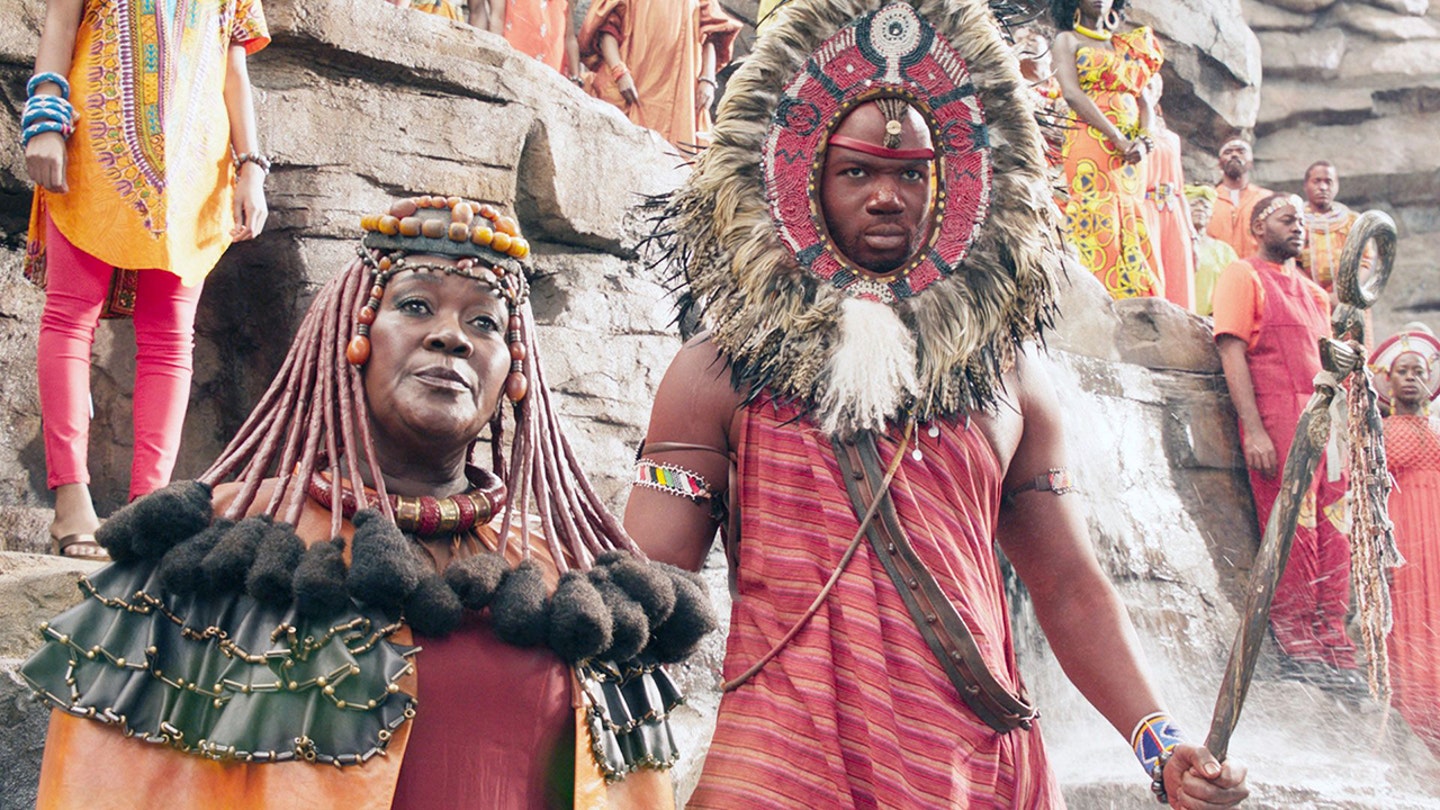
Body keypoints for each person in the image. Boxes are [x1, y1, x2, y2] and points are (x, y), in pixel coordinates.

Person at [631, 2, 1248, 807]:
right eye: (858, 172)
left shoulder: (1011, 376)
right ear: (804, 178)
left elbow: (1066, 585)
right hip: (784, 762)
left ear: (951, 183)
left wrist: (1161, 742)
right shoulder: (717, 371)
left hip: (978, 768)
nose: (888, 196)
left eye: (911, 174)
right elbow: (644, 582)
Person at [20, 197, 714, 808]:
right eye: (415, 306)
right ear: (348, 338)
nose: (451, 337)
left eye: (486, 323)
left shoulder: (566, 580)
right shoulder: (212, 557)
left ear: (514, 375)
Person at [23, 0, 270, 560]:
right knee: (69, 315)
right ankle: (71, 503)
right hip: (92, 146)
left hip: (195, 164)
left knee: (169, 339)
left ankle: (148, 509)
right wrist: (44, 122)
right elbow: (60, 24)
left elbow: (234, 66)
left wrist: (251, 166)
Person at [1211, 193, 1361, 687]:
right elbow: (1233, 352)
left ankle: (1334, 642)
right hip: (1278, 416)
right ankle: (1298, 640)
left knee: (1334, 529)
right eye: (1286, 218)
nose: (1299, 226)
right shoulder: (1242, 274)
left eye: (1302, 220)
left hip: (1325, 419)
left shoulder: (1316, 294)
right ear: (1257, 227)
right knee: (1292, 528)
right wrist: (1252, 427)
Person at [1052, 0, 1164, 299]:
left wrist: (1145, 138)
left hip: (1132, 153)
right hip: (1090, 140)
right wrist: (1116, 137)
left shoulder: (1126, 45)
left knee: (1129, 208)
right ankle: (1095, 292)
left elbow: (1144, 101)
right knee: (1096, 208)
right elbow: (1073, 94)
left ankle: (1136, 295)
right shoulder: (1067, 40)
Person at [1371, 327, 1440, 755]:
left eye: (1419, 371)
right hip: (1404, 531)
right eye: (1402, 371)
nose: (1412, 377)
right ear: (1389, 381)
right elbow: (1367, 491)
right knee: (1414, 611)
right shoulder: (1376, 431)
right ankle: (1424, 712)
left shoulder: (1439, 429)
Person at [577, 0, 740, 150]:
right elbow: (607, 30)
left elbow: (710, 34)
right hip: (634, 89)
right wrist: (619, 72)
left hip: (682, 95)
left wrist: (708, 80)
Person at [1142, 74, 1197, 311]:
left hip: (1173, 211)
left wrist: (1192, 233)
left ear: (1158, 92)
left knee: (1178, 272)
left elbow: (1180, 189)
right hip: (1145, 207)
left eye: (1150, 85)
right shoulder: (1131, 133)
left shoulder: (1172, 138)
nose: (1144, 90)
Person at [1298, 161, 1363, 296]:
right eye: (1316, 181)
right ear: (1305, 186)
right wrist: (1318, 295)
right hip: (1305, 296)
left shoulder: (1353, 221)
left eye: (1329, 182)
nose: (1323, 187)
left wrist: (1342, 292)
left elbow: (1366, 261)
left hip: (1348, 298)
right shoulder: (1295, 220)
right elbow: (1288, 261)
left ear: (1337, 186)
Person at [474, 0, 582, 81]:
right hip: (516, 69)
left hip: (553, 73)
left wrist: (575, 77)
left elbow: (569, 37)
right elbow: (497, 21)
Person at [1207, 138, 1271, 260]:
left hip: (1256, 272)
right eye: (1228, 152)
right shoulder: (1209, 199)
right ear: (1219, 163)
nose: (1234, 155)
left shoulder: (1266, 199)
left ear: (1251, 162)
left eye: (1241, 151)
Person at [1186, 183, 1237, 317]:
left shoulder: (1224, 251)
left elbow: (1232, 290)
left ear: (1212, 215)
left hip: (1211, 321)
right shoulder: (1172, 245)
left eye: (1205, 207)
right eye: (1193, 205)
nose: (1200, 209)